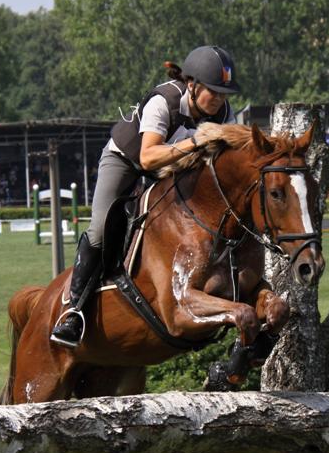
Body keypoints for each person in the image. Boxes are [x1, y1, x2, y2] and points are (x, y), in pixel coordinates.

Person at [49, 45, 241, 348]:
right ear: (192, 84)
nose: (218, 99)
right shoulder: (163, 101)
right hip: (127, 161)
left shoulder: (224, 114)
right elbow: (149, 157)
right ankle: (74, 312)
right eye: (213, 91)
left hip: (174, 168)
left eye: (223, 93)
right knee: (100, 230)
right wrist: (198, 142)